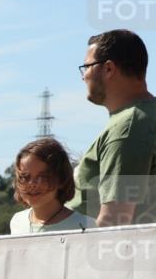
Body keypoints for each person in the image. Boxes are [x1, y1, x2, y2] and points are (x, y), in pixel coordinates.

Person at [70, 29, 156, 226]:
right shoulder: (143, 117)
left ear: (109, 69)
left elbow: (115, 219)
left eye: (87, 67)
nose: (84, 77)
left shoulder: (129, 126)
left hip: (91, 253)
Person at [10, 138, 97, 235]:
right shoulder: (17, 222)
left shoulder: (85, 224)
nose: (32, 183)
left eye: (43, 177)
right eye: (25, 177)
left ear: (61, 179)